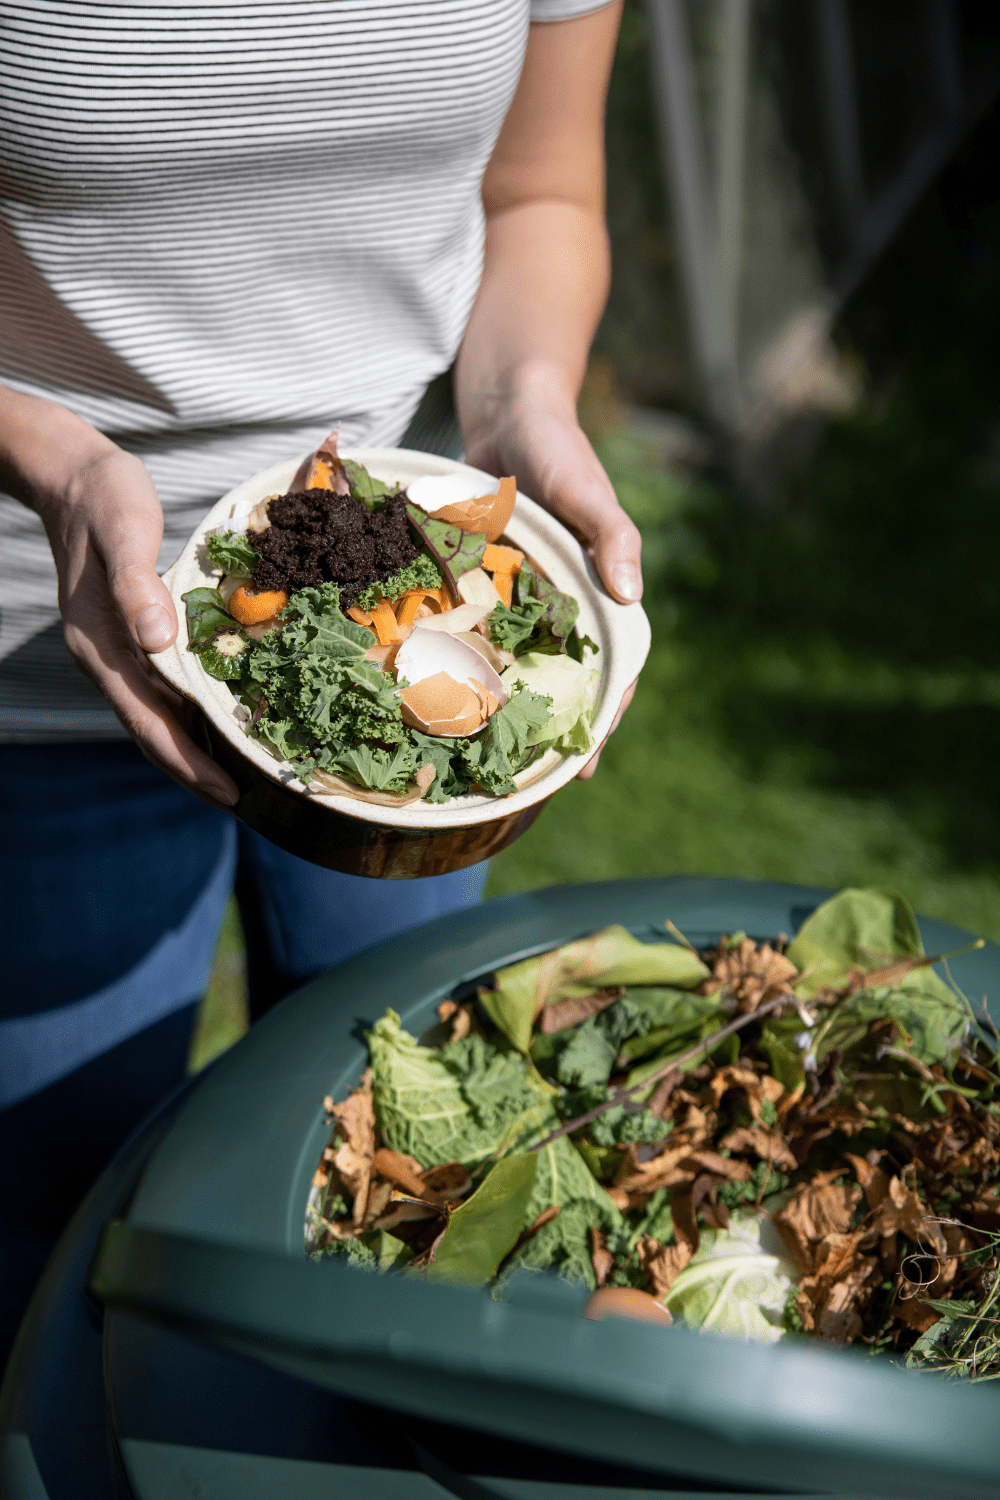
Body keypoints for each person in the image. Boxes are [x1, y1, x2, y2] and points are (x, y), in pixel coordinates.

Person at [0, 0, 642, 1368]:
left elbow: (540, 190)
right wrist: (52, 462)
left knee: (400, 1182)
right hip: (37, 669)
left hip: (394, 652)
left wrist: (522, 407)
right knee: (49, 1230)